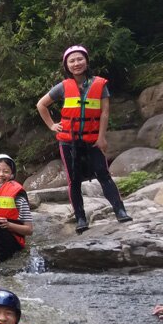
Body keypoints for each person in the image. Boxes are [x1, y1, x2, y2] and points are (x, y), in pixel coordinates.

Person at [36, 45, 131, 234]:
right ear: (67, 65)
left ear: (86, 61)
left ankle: (120, 210)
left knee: (104, 175)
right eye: (71, 61)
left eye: (79, 59)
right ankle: (80, 217)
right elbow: (41, 105)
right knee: (73, 180)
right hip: (69, 141)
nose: (76, 63)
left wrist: (102, 138)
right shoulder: (63, 87)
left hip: (92, 139)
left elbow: (104, 113)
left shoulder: (99, 84)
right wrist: (52, 125)